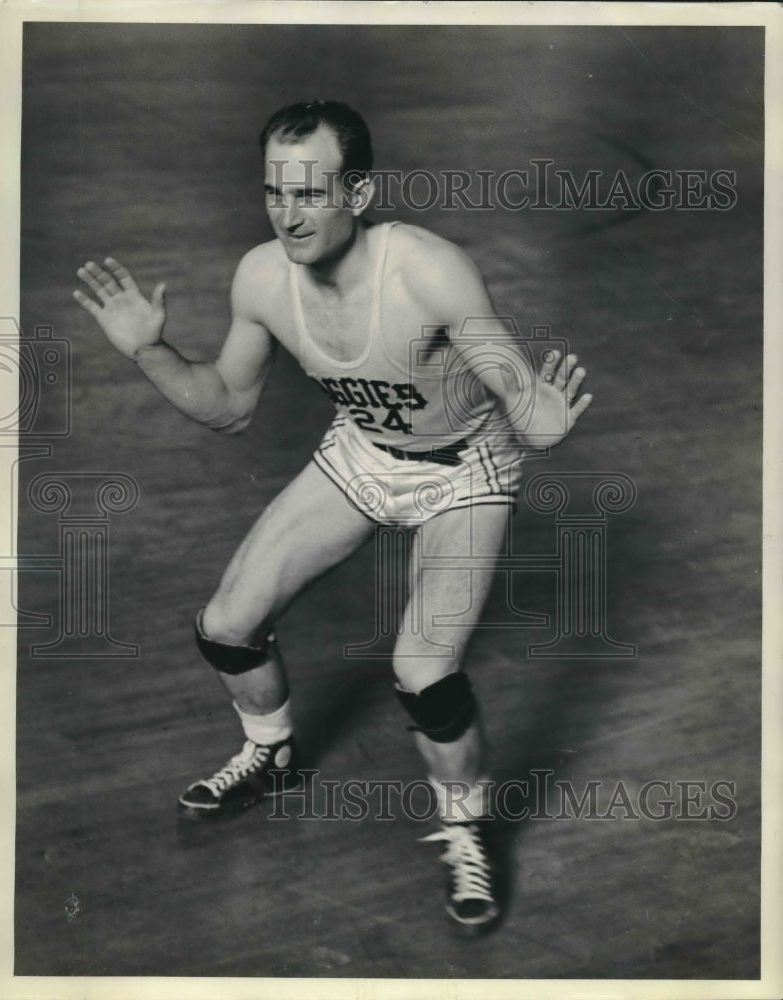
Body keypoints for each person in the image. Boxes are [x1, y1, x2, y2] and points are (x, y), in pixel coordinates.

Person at [73, 100, 592, 935]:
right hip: (362, 452)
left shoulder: (429, 271)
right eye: (275, 192)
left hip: (464, 470)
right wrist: (148, 350)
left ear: (359, 192)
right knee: (225, 627)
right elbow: (230, 407)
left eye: (310, 192)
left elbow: (520, 400)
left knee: (424, 674)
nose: (288, 213)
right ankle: (270, 749)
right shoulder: (261, 279)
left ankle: (464, 829)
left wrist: (542, 421)